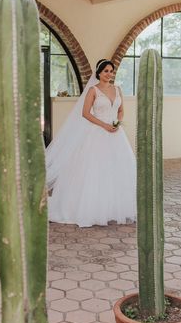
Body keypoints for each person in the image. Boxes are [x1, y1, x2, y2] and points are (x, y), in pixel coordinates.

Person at [46, 59, 137, 227]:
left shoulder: (117, 89)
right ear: (99, 73)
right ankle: (91, 208)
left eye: (111, 71)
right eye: (106, 71)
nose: (109, 74)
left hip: (116, 133)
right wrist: (104, 125)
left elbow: (121, 110)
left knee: (117, 169)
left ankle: (114, 208)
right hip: (97, 132)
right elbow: (85, 113)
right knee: (95, 169)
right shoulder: (93, 90)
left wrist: (117, 123)